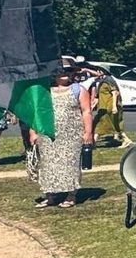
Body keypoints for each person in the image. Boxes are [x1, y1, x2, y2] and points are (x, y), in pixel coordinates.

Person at [32, 60, 94, 208]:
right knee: (48, 164)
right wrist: (33, 132)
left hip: (72, 135)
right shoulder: (45, 90)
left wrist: (88, 132)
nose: (65, 74)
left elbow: (86, 111)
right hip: (48, 134)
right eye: (61, 71)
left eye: (68, 71)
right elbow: (37, 113)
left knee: (70, 164)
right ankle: (50, 196)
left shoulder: (79, 90)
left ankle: (71, 195)